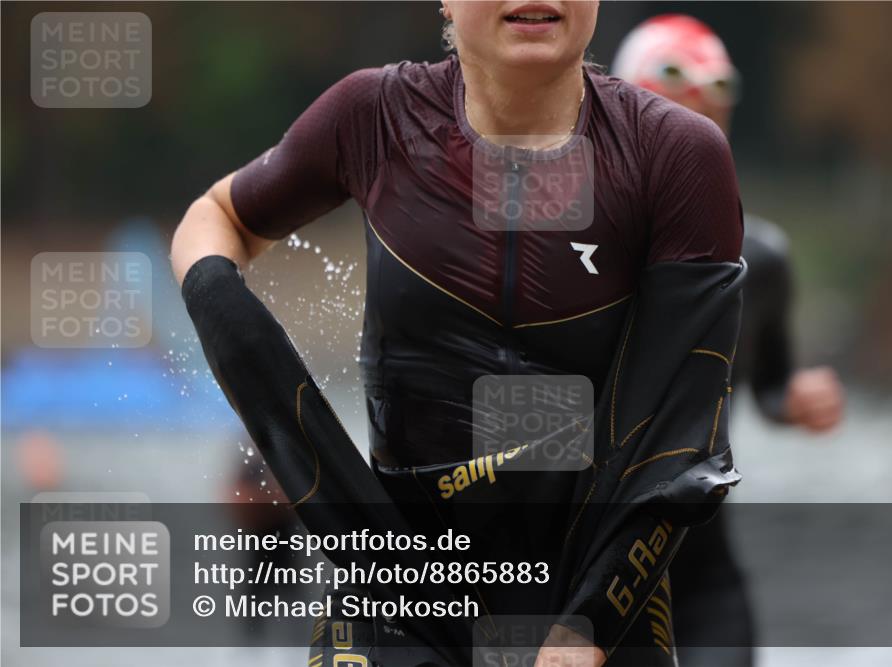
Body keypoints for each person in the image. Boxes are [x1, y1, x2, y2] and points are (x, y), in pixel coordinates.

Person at [173, 3, 747, 665]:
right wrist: (225, 312)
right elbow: (215, 218)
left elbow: (680, 432)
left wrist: (587, 623)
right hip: (395, 584)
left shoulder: (677, 155)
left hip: (593, 587)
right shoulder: (374, 116)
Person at [611, 14, 846, 666]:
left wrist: (792, 397)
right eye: (675, 124)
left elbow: (765, 380)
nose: (693, 148)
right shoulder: (576, 255)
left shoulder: (760, 259)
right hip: (580, 580)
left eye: (707, 127)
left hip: (702, 580)